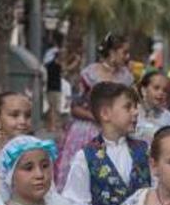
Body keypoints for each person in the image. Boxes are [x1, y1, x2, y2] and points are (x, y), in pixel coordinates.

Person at [56, 33, 134, 190]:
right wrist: (98, 117)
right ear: (112, 52)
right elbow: (75, 107)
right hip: (87, 131)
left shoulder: (127, 77)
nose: (127, 57)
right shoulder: (89, 74)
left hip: (116, 134)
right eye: (124, 52)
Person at [135, 70, 170, 145]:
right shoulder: (132, 113)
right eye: (156, 88)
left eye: (165, 90)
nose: (161, 93)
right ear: (143, 90)